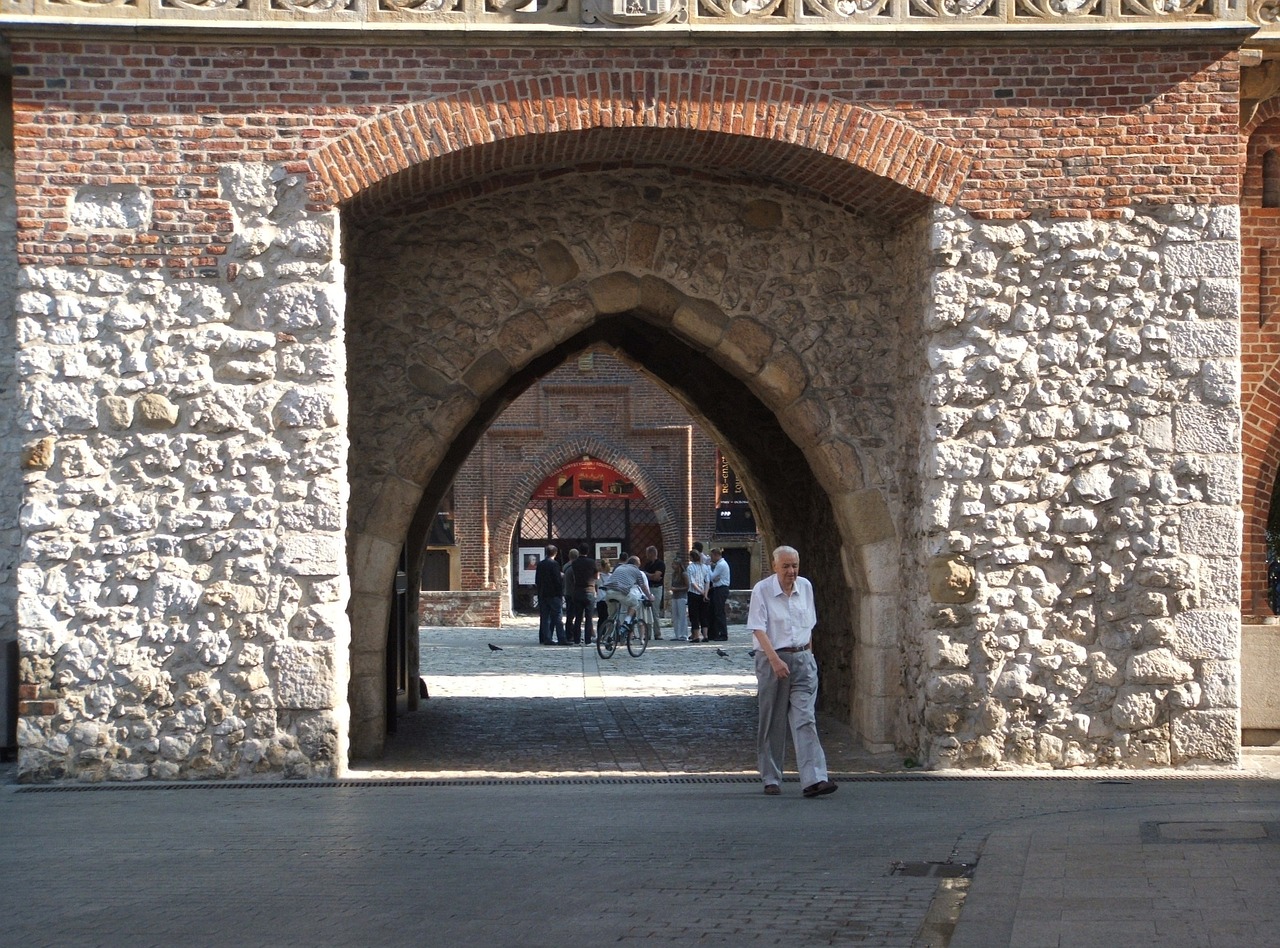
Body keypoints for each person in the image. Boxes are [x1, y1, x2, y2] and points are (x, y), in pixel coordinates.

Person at [749, 545, 836, 799]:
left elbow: (809, 626)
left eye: (795, 565)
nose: (791, 571)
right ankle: (771, 777)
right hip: (772, 659)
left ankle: (814, 779)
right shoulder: (762, 590)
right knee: (772, 721)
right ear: (774, 566)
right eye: (786, 566)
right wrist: (775, 660)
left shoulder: (806, 587)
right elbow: (757, 628)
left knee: (805, 719)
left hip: (802, 659)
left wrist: (809, 656)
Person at [601, 555, 653, 633]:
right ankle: (627, 622)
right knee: (635, 603)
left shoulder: (619, 568)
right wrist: (649, 596)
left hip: (608, 592)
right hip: (620, 592)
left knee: (612, 616)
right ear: (637, 564)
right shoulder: (636, 571)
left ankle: (608, 636)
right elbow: (643, 586)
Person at [535, 544, 568, 646]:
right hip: (553, 594)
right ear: (555, 553)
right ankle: (561, 638)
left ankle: (546, 638)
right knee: (558, 617)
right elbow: (557, 580)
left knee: (545, 618)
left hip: (543, 594)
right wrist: (560, 592)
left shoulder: (540, 564)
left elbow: (537, 580)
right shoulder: (554, 564)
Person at [566, 551, 599, 646]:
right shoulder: (592, 562)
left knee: (578, 617)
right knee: (588, 618)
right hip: (589, 591)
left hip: (577, 592)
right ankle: (587, 640)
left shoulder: (575, 563)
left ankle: (577, 640)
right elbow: (596, 576)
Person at [686, 547, 710, 643]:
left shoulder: (690, 567)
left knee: (694, 615)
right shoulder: (705, 567)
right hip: (704, 594)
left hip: (693, 594)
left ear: (692, 557)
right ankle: (705, 635)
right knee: (704, 615)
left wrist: (700, 592)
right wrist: (705, 593)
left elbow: (692, 583)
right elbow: (707, 581)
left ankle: (696, 636)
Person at [708, 547, 731, 642]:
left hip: (721, 589)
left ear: (716, 555)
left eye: (712, 556)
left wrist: (708, 567)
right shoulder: (719, 564)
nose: (711, 558)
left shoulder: (721, 565)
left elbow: (711, 577)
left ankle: (723, 634)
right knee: (715, 611)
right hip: (718, 588)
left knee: (719, 612)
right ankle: (715, 633)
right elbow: (714, 578)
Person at [643, 546, 666, 638]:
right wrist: (651, 576)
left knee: (655, 611)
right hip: (648, 588)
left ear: (651, 553)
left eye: (647, 553)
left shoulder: (660, 564)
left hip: (656, 588)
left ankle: (657, 633)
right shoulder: (648, 565)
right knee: (647, 611)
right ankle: (647, 634)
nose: (646, 556)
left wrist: (647, 574)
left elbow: (657, 577)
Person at [669, 555, 690, 641]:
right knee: (675, 616)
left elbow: (687, 586)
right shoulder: (674, 574)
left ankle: (684, 634)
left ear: (678, 565)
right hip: (675, 597)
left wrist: (677, 589)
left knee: (682, 616)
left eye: (674, 564)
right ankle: (677, 634)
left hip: (682, 596)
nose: (672, 566)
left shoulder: (684, 574)